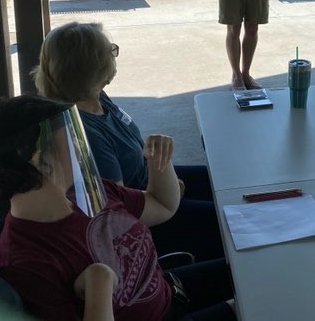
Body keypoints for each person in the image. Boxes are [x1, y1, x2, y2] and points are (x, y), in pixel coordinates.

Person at [0, 94, 235, 321]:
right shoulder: (26, 261)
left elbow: (162, 206)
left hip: (169, 291)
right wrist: (99, 283)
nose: (81, 144)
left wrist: (159, 162)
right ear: (42, 163)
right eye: (70, 139)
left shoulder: (90, 192)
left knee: (268, 275)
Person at [32, 21, 224, 262]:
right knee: (228, 222)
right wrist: (171, 188)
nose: (114, 56)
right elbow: (121, 213)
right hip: (151, 216)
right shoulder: (86, 134)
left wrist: (169, 181)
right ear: (94, 68)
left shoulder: (96, 97)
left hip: (154, 181)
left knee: (225, 183)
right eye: (110, 52)